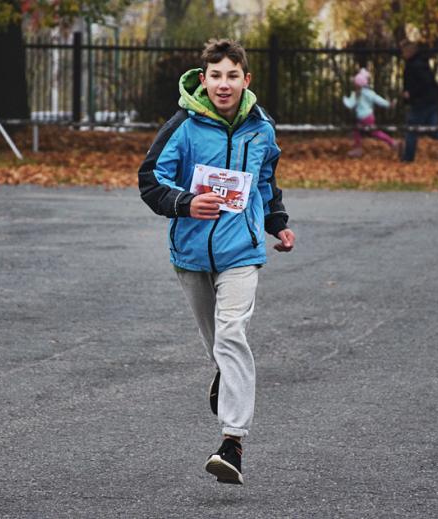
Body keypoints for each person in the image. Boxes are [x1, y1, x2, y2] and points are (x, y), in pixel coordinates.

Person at [138, 39, 295, 485]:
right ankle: (224, 376)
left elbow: (265, 182)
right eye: (215, 75)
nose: (223, 84)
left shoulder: (261, 127)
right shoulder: (183, 127)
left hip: (242, 251)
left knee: (231, 335)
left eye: (232, 75)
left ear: (246, 80)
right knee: (218, 347)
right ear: (202, 79)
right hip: (190, 254)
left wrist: (277, 223)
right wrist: (187, 203)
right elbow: (150, 180)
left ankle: (232, 442)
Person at [342, 68, 404, 159]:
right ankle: (358, 149)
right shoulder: (369, 93)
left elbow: (350, 105)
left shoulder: (357, 94)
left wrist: (344, 99)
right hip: (369, 117)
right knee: (358, 130)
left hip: (364, 118)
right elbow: (378, 100)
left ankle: (393, 143)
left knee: (373, 132)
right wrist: (388, 104)